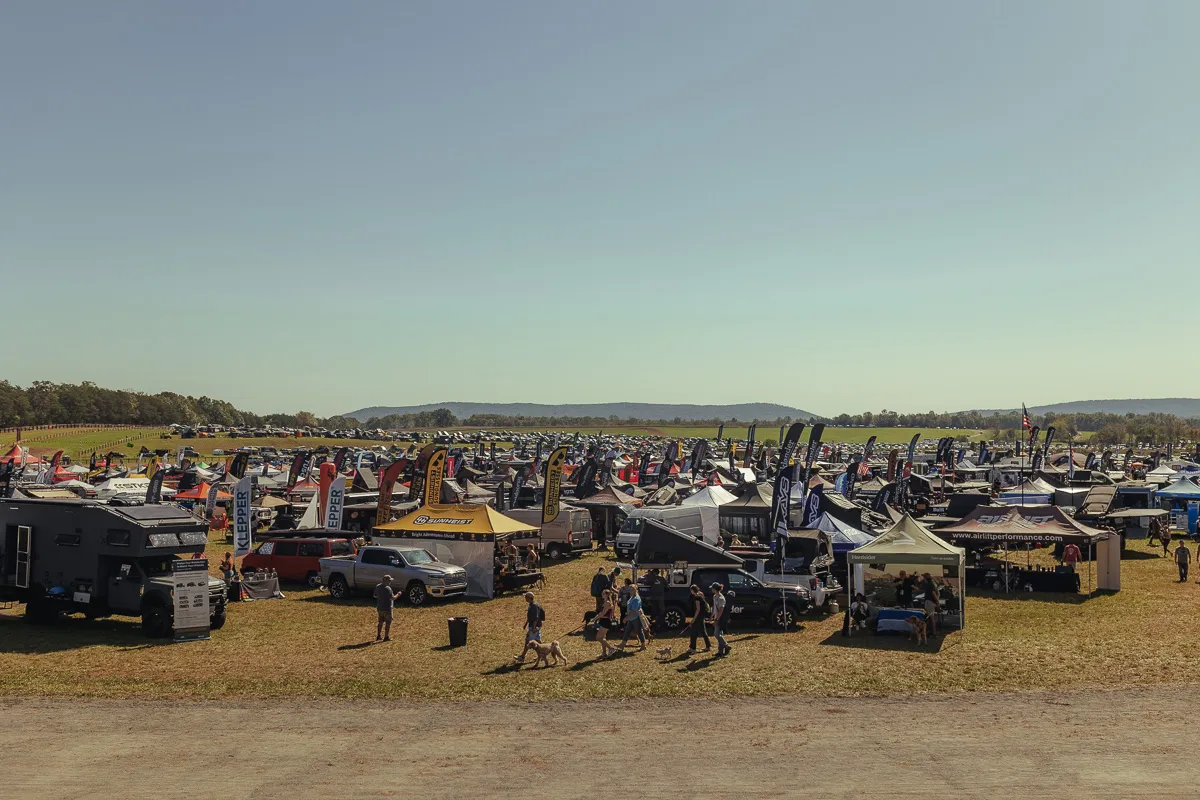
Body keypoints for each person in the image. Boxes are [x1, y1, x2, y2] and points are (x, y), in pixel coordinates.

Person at [513, 591, 546, 663]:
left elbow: (535, 618)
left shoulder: (534, 606)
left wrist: (533, 628)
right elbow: (530, 616)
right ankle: (543, 656)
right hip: (537, 626)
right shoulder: (532, 604)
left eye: (526, 597)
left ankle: (522, 657)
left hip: (534, 626)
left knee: (528, 641)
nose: (525, 598)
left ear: (530, 598)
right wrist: (526, 623)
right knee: (538, 640)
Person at [617, 584, 647, 650]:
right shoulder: (632, 597)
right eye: (630, 589)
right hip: (631, 618)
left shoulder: (636, 599)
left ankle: (643, 645)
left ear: (636, 590)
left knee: (639, 631)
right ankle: (622, 645)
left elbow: (633, 610)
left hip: (635, 617)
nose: (631, 590)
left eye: (632, 589)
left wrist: (626, 618)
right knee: (627, 631)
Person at [374, 574, 401, 642]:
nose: (390, 582)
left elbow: (375, 596)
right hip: (387, 608)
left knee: (380, 622)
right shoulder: (388, 588)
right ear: (386, 581)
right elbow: (393, 598)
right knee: (388, 623)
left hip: (379, 608)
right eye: (389, 581)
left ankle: (378, 635)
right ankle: (386, 637)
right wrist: (398, 594)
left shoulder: (378, 586)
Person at [687, 584, 711, 654]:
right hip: (702, 616)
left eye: (691, 590)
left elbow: (698, 609)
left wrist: (693, 619)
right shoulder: (700, 594)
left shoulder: (697, 597)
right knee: (703, 631)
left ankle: (693, 648)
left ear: (692, 590)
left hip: (698, 616)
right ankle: (708, 646)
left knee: (693, 632)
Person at [595, 588, 618, 658]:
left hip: (606, 622)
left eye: (603, 593)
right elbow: (600, 613)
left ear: (607, 595)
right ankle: (604, 653)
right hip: (602, 621)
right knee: (603, 638)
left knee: (598, 638)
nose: (602, 595)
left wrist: (595, 619)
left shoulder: (608, 603)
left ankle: (611, 648)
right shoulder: (605, 602)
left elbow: (603, 614)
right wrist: (595, 617)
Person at [710, 582, 730, 657]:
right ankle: (721, 652)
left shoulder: (721, 598)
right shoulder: (715, 596)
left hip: (720, 618)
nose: (711, 589)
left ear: (715, 589)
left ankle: (726, 646)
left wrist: (716, 619)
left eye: (712, 588)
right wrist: (711, 615)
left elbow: (721, 610)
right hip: (716, 617)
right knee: (719, 634)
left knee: (716, 634)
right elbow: (714, 607)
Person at [920, 573, 938, 637]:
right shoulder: (932, 584)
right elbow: (937, 592)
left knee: (931, 618)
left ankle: (933, 632)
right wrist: (936, 601)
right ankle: (931, 631)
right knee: (930, 618)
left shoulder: (929, 585)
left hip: (929, 602)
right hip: (931, 602)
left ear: (925, 578)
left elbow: (933, 593)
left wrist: (937, 601)